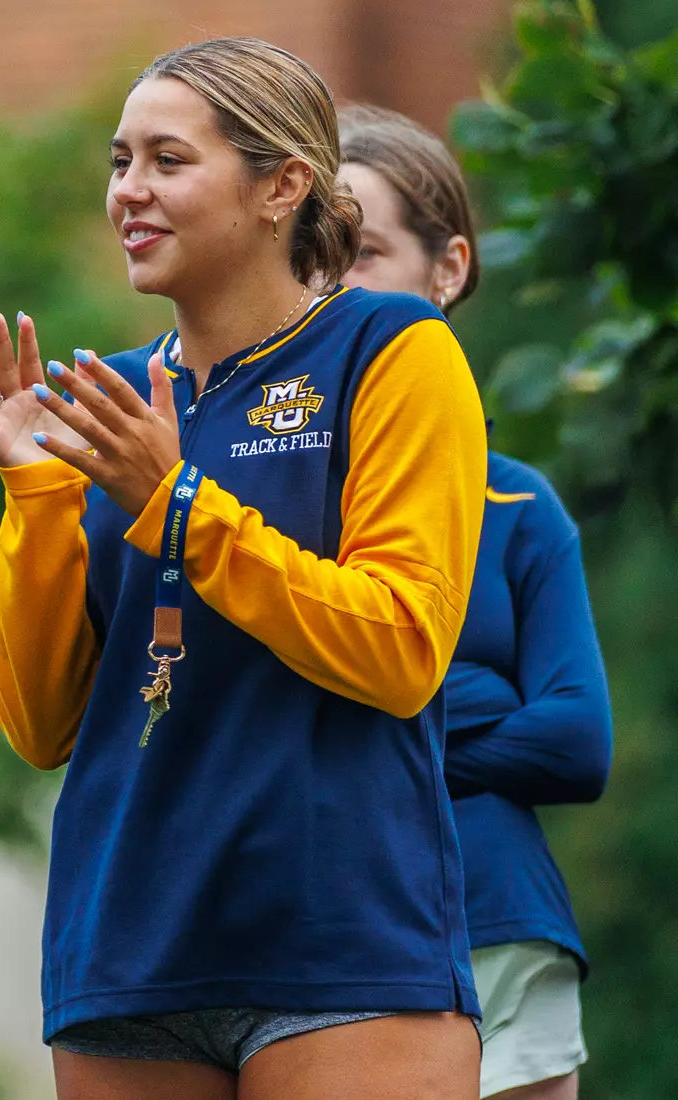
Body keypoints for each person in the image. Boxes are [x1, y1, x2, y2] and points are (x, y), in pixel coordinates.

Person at [0, 41, 488, 1100]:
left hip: (343, 948)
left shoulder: (393, 348)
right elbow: (37, 720)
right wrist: (36, 496)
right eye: (118, 162)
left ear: (281, 185)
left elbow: (400, 647)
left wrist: (180, 504)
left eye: (166, 159)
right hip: (127, 950)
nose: (128, 193)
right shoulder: (103, 392)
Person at [338, 104, 613, 1100]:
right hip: (327, 941)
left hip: (503, 917)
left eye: (362, 250)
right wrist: (485, 694)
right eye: (310, 253)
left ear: (446, 268)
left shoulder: (516, 502)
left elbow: (578, 742)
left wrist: (375, 723)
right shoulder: (258, 498)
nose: (332, 282)